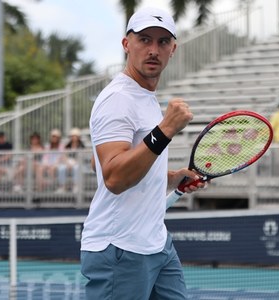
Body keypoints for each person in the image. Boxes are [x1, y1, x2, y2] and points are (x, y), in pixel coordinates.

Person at [80, 7, 206, 300]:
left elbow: (100, 162)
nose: (153, 50)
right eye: (144, 40)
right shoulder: (117, 98)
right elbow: (113, 177)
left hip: (157, 245)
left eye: (163, 42)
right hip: (119, 250)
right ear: (127, 44)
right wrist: (164, 130)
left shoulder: (145, 97)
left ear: (173, 49)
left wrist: (173, 178)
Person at [57, 128, 86, 193]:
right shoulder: (67, 146)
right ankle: (62, 186)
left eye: (75, 136)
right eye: (72, 136)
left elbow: (81, 157)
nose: (74, 137)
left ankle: (76, 186)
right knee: (61, 168)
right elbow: (64, 156)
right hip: (68, 163)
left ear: (78, 137)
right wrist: (67, 163)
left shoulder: (82, 146)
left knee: (76, 168)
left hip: (78, 163)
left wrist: (73, 163)